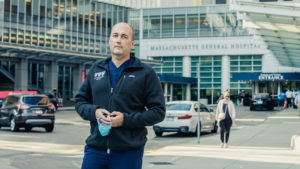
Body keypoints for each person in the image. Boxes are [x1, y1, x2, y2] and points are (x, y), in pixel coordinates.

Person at [75, 22, 165, 169]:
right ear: (110, 40)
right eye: (115, 36)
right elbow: (80, 102)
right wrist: (95, 112)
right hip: (95, 150)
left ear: (132, 44)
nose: (118, 40)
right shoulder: (97, 69)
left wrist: (125, 120)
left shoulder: (145, 73)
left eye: (124, 36)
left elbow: (158, 112)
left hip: (128, 153)